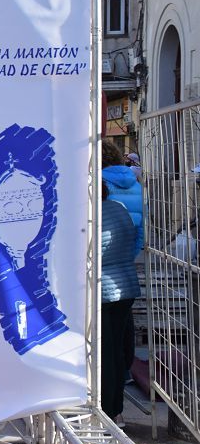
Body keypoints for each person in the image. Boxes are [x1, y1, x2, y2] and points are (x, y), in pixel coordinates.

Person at [100, 183, 141, 428]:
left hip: (104, 292)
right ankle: (116, 410)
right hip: (125, 287)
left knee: (104, 354)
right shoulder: (119, 208)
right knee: (116, 350)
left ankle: (107, 409)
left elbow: (95, 255)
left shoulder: (92, 217)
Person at [103, 141, 144, 254]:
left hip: (96, 256)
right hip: (125, 254)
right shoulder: (137, 187)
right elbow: (141, 228)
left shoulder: (95, 184)